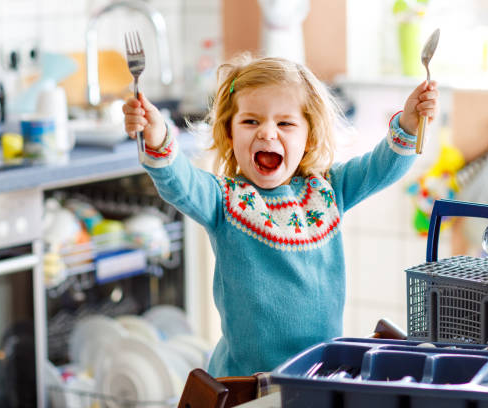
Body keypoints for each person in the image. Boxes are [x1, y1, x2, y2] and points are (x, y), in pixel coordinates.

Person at [122, 55, 439, 377]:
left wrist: (410, 124)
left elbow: (382, 166)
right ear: (230, 134)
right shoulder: (223, 199)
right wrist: (158, 137)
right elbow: (181, 182)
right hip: (246, 381)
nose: (267, 133)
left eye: (285, 123)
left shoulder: (330, 188)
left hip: (318, 375)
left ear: (309, 136)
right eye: (250, 121)